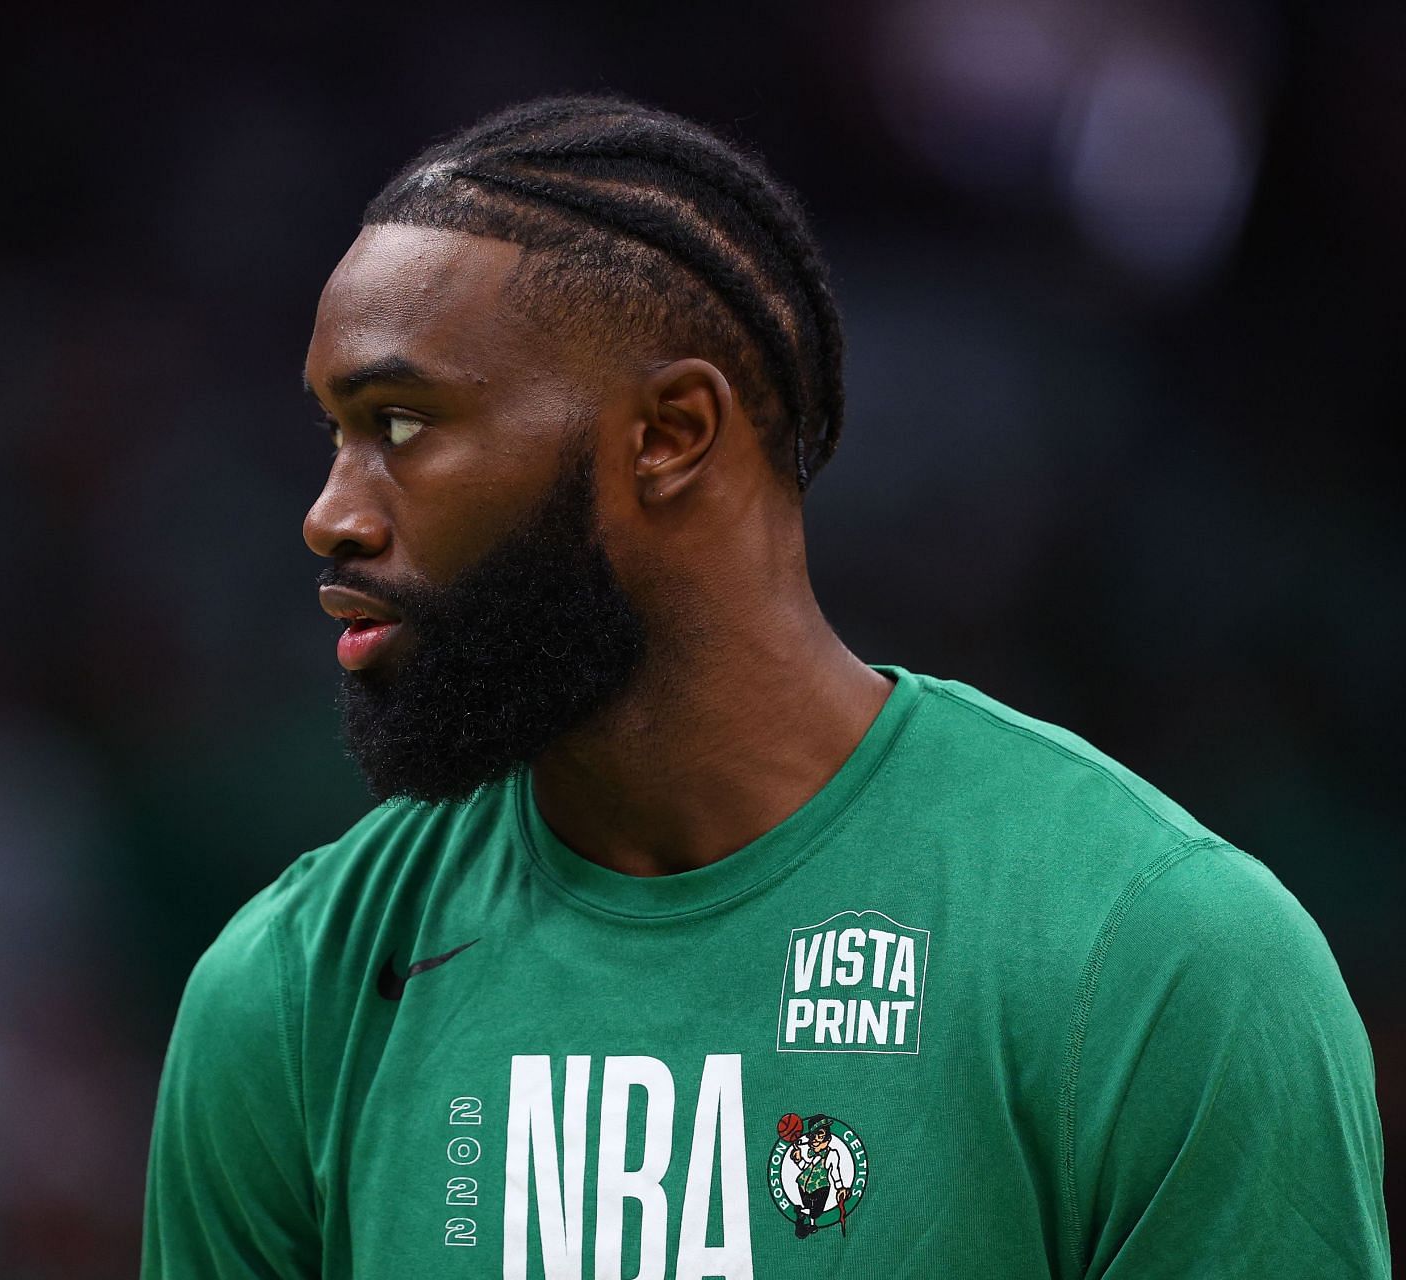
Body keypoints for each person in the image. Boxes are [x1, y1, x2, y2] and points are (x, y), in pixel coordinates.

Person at [141, 94, 1388, 1278]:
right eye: (333, 434)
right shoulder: (291, 991)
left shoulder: (1154, 955)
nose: (330, 516)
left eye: (403, 422)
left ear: (671, 433)